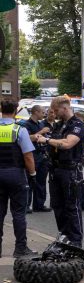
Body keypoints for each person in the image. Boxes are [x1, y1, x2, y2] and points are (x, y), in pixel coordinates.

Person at [38, 96, 84, 246]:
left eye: (56, 110)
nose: (54, 113)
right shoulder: (59, 125)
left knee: (72, 206)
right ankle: (64, 236)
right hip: (56, 170)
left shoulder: (77, 125)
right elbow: (54, 143)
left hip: (71, 171)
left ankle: (76, 241)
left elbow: (67, 144)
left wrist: (47, 140)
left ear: (65, 108)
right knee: (57, 205)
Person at [0, 99, 37, 258]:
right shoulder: (19, 130)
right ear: (15, 111)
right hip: (16, 175)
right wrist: (33, 174)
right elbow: (28, 156)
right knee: (19, 214)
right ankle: (20, 248)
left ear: (1, 110)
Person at [22, 104, 51, 213]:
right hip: (32, 155)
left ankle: (39, 204)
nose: (44, 114)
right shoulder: (26, 125)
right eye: (42, 112)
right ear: (36, 112)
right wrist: (42, 132)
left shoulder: (40, 124)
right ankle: (26, 205)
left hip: (42, 155)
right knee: (29, 181)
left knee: (41, 181)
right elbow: (27, 138)